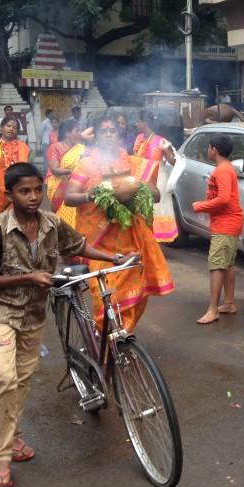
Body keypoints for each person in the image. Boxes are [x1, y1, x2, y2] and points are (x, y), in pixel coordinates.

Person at [0, 162, 129, 487]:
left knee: (22, 381)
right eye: (24, 191)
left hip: (32, 317)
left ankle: (12, 437)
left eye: (37, 190)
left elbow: (77, 246)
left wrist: (110, 258)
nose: (32, 197)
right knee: (4, 376)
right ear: (9, 194)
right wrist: (29, 277)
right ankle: (0, 458)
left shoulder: (52, 223)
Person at [63, 115, 175, 331]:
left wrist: (136, 187)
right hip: (99, 245)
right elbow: (70, 198)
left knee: (137, 294)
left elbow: (157, 195)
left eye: (112, 131)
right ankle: (106, 347)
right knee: (104, 298)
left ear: (119, 135)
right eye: (103, 131)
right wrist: (91, 195)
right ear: (96, 136)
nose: (107, 134)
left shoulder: (134, 165)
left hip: (131, 242)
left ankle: (121, 339)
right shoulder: (85, 165)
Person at [193, 134, 244, 324]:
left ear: (214, 149)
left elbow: (223, 199)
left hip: (226, 223)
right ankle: (229, 303)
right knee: (227, 264)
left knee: (216, 265)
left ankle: (213, 309)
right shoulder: (225, 168)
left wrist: (200, 206)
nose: (208, 150)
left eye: (208, 147)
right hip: (230, 222)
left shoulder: (222, 170)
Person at [132, 110, 178, 243]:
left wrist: (167, 149)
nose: (136, 124)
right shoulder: (139, 138)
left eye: (138, 121)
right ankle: (143, 240)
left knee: (157, 209)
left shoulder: (161, 141)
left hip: (158, 181)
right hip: (141, 179)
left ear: (144, 123)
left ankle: (155, 242)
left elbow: (173, 162)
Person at [0, 117, 31, 219]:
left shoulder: (23, 146)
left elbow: (26, 169)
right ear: (1, 128)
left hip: (17, 192)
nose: (11, 129)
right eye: (8, 126)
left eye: (14, 127)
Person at [46, 118, 86, 229]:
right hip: (59, 186)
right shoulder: (55, 147)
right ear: (67, 133)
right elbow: (54, 169)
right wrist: (72, 171)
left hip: (77, 185)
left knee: (77, 214)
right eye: (77, 131)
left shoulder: (82, 148)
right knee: (62, 217)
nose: (80, 134)